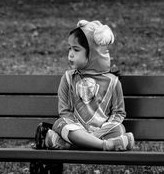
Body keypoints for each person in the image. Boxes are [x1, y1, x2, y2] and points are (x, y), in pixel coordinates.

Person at [44, 20, 134, 151]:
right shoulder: (69, 78)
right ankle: (105, 145)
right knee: (60, 124)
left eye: (76, 49)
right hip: (76, 129)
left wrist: (99, 131)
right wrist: (83, 131)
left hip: (102, 130)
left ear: (93, 52)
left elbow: (118, 113)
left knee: (119, 129)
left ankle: (69, 144)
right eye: (69, 48)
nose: (70, 54)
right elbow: (65, 112)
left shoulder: (113, 82)